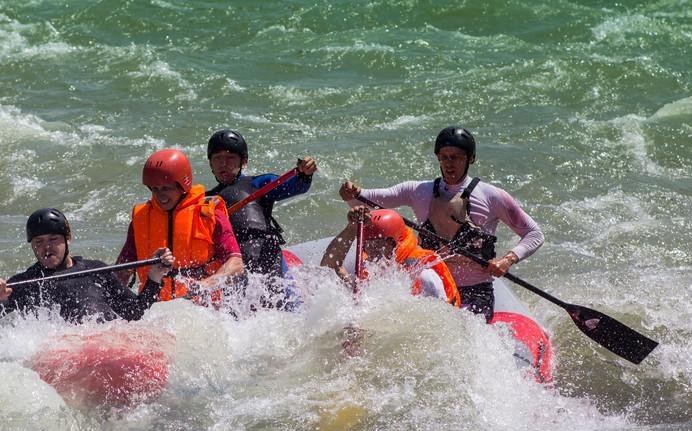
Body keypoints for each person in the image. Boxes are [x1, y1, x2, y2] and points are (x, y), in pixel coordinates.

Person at [339, 126, 544, 321]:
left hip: (474, 292)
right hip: (430, 285)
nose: (449, 163)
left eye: (456, 157)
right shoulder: (419, 191)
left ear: (470, 159)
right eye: (444, 157)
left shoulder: (492, 196)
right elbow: (365, 199)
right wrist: (352, 192)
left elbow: (534, 233)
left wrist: (507, 260)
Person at [0, 207, 174, 324]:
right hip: (67, 360)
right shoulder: (26, 283)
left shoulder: (96, 271)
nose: (47, 248)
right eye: (39, 242)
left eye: (53, 239)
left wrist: (155, 276)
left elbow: (135, 312)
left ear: (68, 238)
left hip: (105, 349)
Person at [116, 148, 244, 302]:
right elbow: (121, 272)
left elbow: (236, 264)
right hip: (156, 310)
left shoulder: (209, 214)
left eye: (166, 188)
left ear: (183, 185)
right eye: (154, 189)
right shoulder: (141, 218)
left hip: (204, 310)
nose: (160, 195)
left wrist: (205, 285)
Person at [204, 130, 316, 305]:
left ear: (244, 161)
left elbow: (293, 186)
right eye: (217, 158)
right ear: (210, 163)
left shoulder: (258, 184)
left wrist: (304, 174)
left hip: (268, 258)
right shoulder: (206, 200)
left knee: (288, 310)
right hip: (235, 266)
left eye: (230, 157)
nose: (223, 163)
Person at [321, 206, 461, 306]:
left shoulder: (424, 275)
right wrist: (351, 229)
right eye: (368, 244)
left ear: (396, 243)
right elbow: (330, 266)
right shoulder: (368, 269)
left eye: (379, 244)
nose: (372, 251)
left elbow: (442, 321)